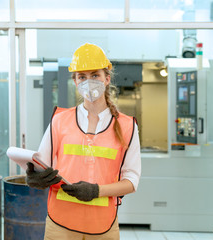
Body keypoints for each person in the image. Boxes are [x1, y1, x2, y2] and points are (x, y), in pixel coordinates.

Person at [26, 43, 141, 240]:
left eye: (95, 75)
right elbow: (41, 165)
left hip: (103, 224)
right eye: (82, 77)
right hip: (60, 223)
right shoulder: (60, 120)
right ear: (75, 81)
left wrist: (97, 191)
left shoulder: (127, 126)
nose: (89, 82)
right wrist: (34, 177)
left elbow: (131, 181)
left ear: (107, 78)